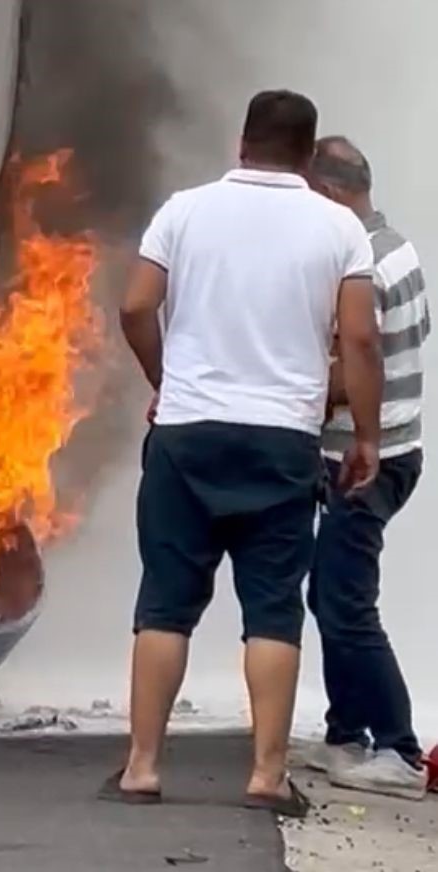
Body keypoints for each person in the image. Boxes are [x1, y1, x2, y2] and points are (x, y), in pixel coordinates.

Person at [103, 90, 384, 819]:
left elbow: (135, 306)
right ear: (308, 151)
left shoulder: (184, 210)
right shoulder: (339, 230)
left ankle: (141, 766)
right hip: (282, 442)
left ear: (243, 142)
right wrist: (366, 437)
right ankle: (265, 776)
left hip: (188, 435)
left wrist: (168, 382)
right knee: (272, 610)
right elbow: (357, 341)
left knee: (165, 603)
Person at [305, 136, 431, 801]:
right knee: (329, 593)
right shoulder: (398, 247)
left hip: (365, 460)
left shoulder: (366, 267)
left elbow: (361, 371)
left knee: (347, 605)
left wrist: (293, 389)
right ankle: (346, 733)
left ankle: (399, 750)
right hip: (396, 450)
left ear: (329, 194)